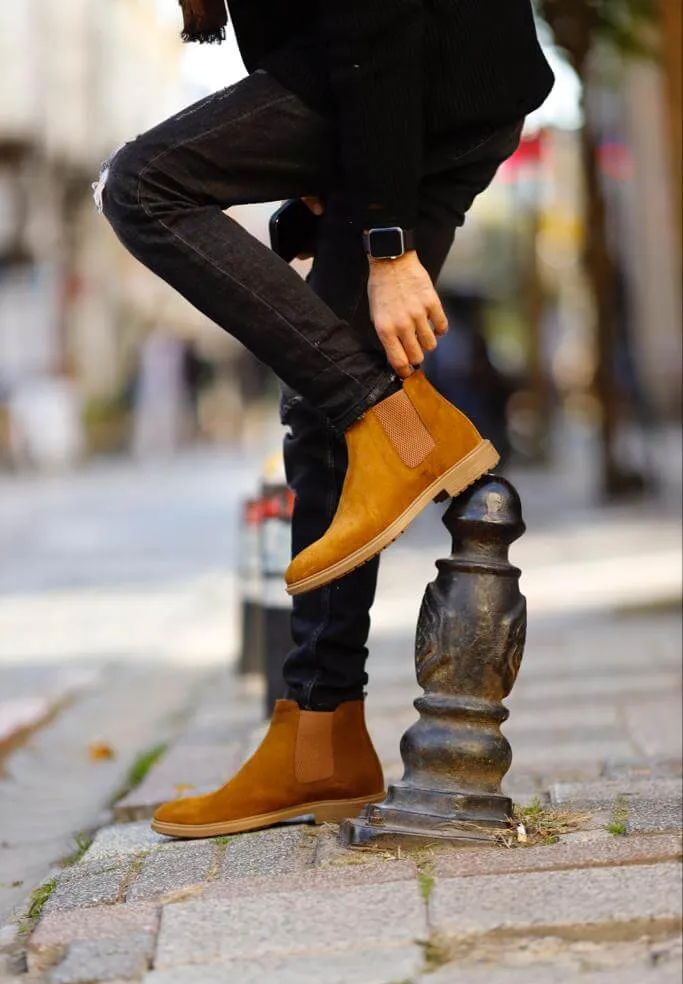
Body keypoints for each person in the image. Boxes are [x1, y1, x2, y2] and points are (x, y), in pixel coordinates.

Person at [99, 0, 554, 838]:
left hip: (425, 74)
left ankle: (398, 429)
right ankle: (321, 739)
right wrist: (327, 188)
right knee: (318, 403)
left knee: (144, 184)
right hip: (398, 88)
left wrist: (387, 244)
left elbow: (376, 20)